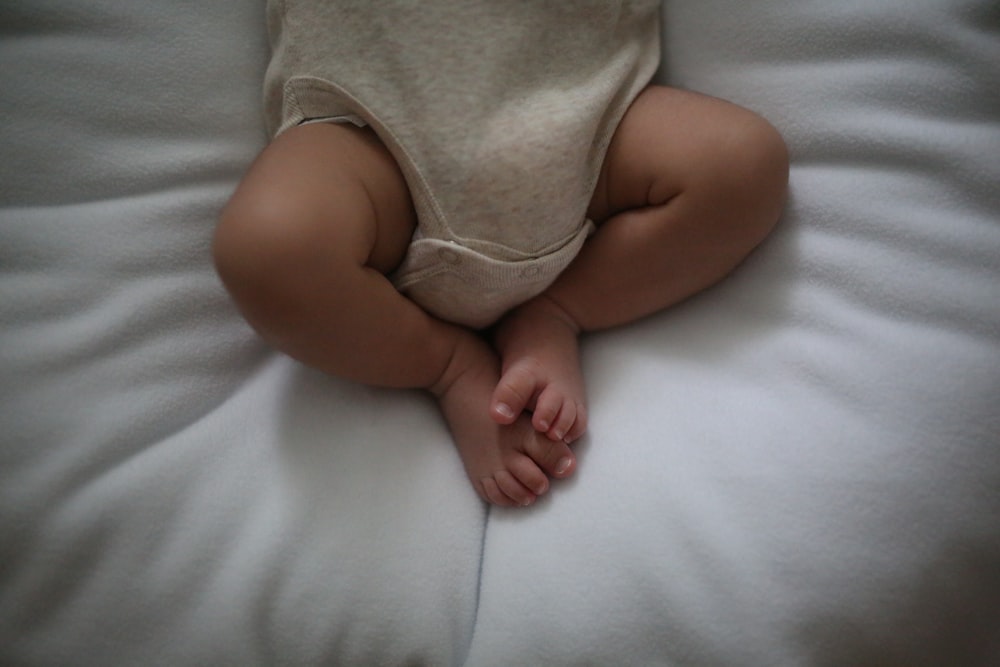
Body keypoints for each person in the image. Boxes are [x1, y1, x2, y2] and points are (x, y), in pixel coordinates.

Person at [213, 2, 789, 507]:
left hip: (586, 114)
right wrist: (449, 372)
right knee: (268, 248)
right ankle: (448, 365)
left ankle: (557, 311)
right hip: (371, 134)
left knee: (743, 164)